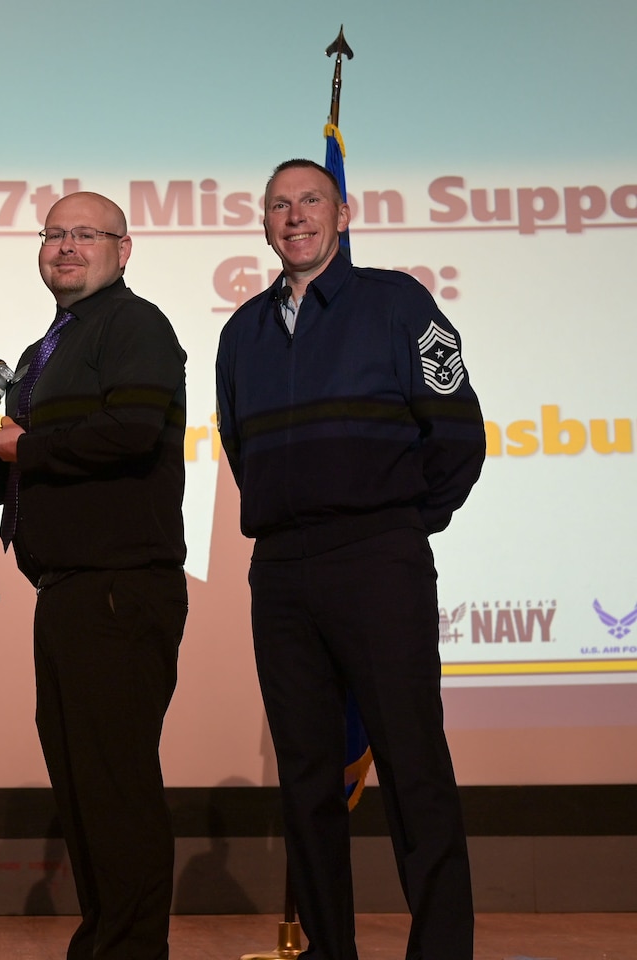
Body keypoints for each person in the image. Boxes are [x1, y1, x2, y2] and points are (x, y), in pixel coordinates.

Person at [215, 159, 485, 960]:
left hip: (377, 560)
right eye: (279, 206)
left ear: (342, 212)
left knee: (412, 769)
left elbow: (459, 435)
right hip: (283, 574)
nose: (295, 217)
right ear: (264, 223)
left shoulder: (397, 304)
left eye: (310, 202)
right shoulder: (242, 332)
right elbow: (241, 448)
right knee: (307, 781)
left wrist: (397, 523)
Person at [0, 191, 189, 959]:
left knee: (113, 787)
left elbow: (133, 430)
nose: (67, 247)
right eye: (55, 234)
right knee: (86, 786)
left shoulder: (134, 325)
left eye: (87, 235)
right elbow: (44, 449)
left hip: (118, 587)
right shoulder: (55, 343)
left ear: (124, 248)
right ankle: (109, 942)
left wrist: (20, 451)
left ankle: (129, 949)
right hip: (76, 592)